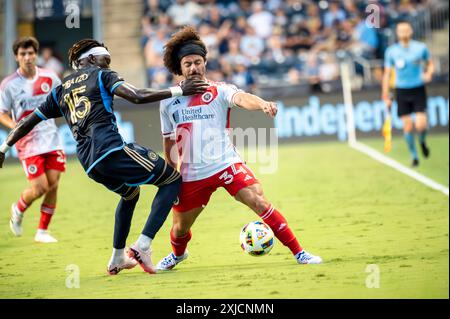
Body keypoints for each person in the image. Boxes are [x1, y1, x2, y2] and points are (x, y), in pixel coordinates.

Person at [0, 39, 208, 275]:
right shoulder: (101, 75)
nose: (108, 65)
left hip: (89, 163)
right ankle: (143, 245)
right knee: (171, 180)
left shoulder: (59, 90)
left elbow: (27, 122)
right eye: (104, 60)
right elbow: (137, 96)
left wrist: (3, 148)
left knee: (130, 194)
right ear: (89, 60)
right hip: (111, 150)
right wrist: (180, 90)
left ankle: (117, 257)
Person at [156, 26, 322, 271]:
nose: (194, 68)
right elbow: (168, 144)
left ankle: (299, 252)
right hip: (193, 173)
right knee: (180, 228)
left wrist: (263, 103)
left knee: (259, 201)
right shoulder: (168, 101)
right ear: (179, 68)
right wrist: (170, 179)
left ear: (205, 63)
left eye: (198, 62)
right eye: (188, 63)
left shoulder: (220, 90)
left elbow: (243, 98)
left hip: (226, 163)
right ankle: (178, 255)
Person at [0, 37, 65, 243]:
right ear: (16, 57)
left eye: (30, 53)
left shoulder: (50, 77)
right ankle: (18, 208)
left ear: (36, 54)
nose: (27, 58)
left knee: (53, 185)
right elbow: (2, 113)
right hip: (27, 142)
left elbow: (63, 102)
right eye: (22, 54)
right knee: (40, 188)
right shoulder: (9, 85)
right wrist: (14, 126)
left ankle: (42, 231)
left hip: (51, 138)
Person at [382, 20, 434, 167]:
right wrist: (386, 95)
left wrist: (429, 73)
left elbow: (430, 63)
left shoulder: (420, 48)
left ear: (411, 31)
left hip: (418, 89)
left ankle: (422, 141)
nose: (404, 33)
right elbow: (387, 74)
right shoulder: (391, 51)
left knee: (421, 125)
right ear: (397, 33)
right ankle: (414, 156)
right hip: (402, 91)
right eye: (401, 31)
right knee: (408, 126)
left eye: (406, 30)